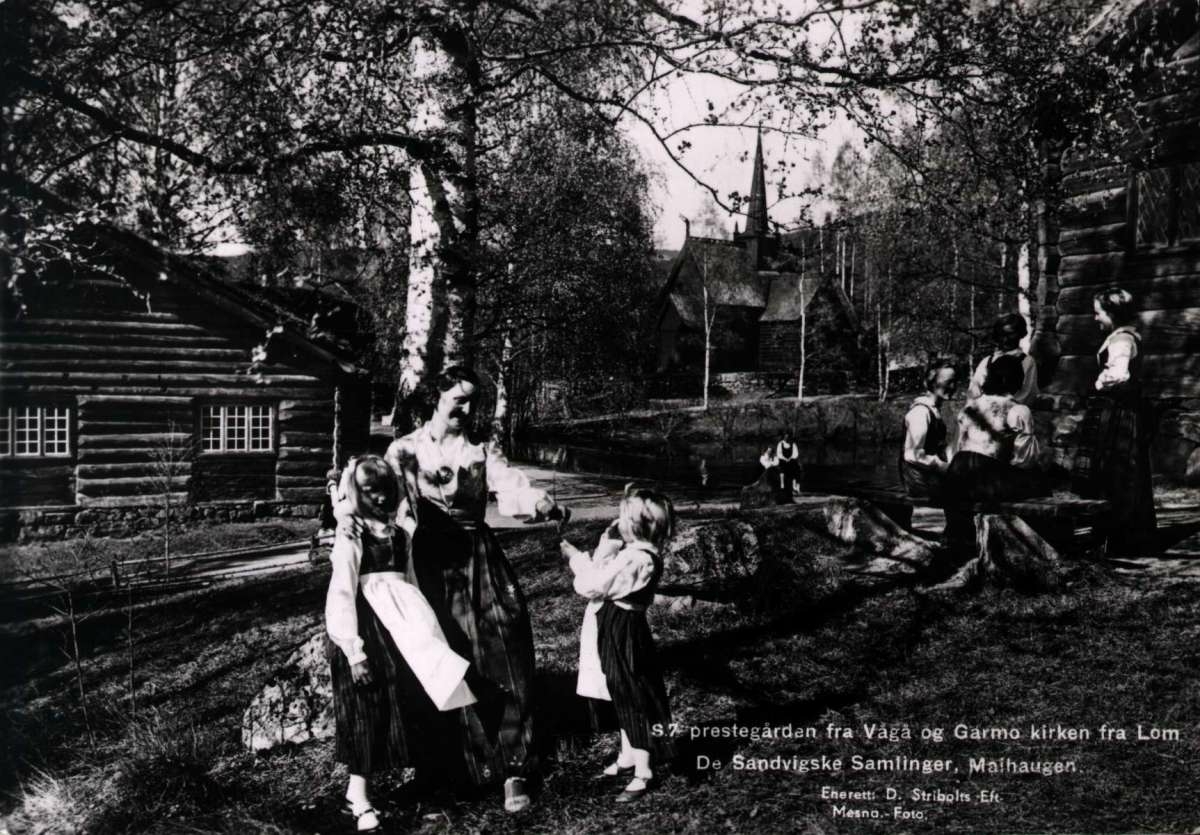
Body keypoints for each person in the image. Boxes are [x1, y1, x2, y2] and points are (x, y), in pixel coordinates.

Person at [386, 366, 567, 813]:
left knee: (503, 650)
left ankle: (513, 769)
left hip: (476, 558)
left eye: (472, 401)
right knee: (435, 658)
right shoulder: (403, 450)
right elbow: (389, 501)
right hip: (426, 562)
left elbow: (511, 487)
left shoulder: (480, 453)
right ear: (437, 398)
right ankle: (446, 769)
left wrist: (539, 501)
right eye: (458, 400)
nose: (466, 410)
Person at [325, 455, 477, 833]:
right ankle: (357, 794)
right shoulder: (351, 534)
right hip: (367, 626)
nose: (378, 497)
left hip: (405, 624)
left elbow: (409, 580)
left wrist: (426, 626)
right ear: (355, 493)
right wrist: (354, 650)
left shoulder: (397, 531)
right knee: (369, 705)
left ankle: (433, 778)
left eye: (384, 490)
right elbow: (341, 591)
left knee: (411, 698)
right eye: (369, 490)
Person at [561, 485, 677, 803]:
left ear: (636, 526)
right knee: (618, 688)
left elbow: (592, 585)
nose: (617, 522)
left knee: (631, 692)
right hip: (616, 627)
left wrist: (577, 560)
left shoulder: (638, 560)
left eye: (622, 517)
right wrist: (607, 547)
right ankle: (629, 755)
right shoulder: (633, 554)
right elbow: (604, 573)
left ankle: (645, 770)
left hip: (623, 632)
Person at [1072, 287, 1158, 557]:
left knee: (1119, 470)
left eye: (1098, 313)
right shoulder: (1122, 336)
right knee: (1118, 471)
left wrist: (1099, 382)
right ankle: (1122, 535)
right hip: (1120, 412)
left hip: (1118, 414)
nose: (1095, 318)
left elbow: (1118, 375)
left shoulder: (1122, 339)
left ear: (1112, 313)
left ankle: (1120, 538)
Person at [946, 353, 1048, 502]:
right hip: (987, 482)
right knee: (1039, 478)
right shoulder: (1018, 410)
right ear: (1017, 380)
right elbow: (1025, 460)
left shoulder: (969, 408)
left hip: (957, 479)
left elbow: (954, 448)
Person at [899, 361, 958, 499]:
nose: (953, 387)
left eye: (954, 382)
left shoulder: (934, 410)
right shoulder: (920, 412)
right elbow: (912, 454)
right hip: (919, 481)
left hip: (929, 478)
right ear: (931, 383)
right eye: (948, 382)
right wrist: (942, 467)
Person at [967, 313, 1039, 405]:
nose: (1006, 339)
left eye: (1011, 334)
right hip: (985, 408)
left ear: (1020, 334)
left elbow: (1027, 393)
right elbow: (974, 389)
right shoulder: (988, 361)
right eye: (1002, 335)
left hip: (1013, 409)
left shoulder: (1027, 361)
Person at [775, 431, 801, 499]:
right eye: (785, 437)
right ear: (784, 437)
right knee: (782, 470)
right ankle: (782, 486)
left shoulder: (793, 444)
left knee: (795, 469)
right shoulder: (780, 444)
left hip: (791, 461)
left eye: (788, 437)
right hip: (783, 461)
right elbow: (779, 454)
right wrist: (784, 459)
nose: (787, 438)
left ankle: (794, 487)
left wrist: (790, 458)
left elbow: (795, 454)